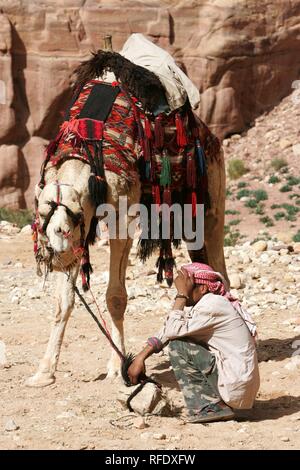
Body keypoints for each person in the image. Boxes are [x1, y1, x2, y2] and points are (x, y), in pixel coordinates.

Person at [127, 263, 260, 423]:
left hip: (236, 387)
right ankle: (218, 403)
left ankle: (209, 407)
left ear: (202, 288)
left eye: (185, 285)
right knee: (182, 337)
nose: (180, 290)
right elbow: (167, 331)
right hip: (239, 387)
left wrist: (182, 296)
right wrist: (140, 357)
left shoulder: (212, 305)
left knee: (179, 345)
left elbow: (172, 331)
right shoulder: (208, 304)